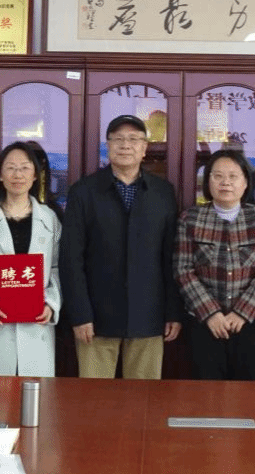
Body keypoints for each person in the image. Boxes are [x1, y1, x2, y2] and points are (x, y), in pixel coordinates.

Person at [59, 114, 182, 379]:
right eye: (119, 139)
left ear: (145, 147)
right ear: (108, 145)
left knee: (144, 398)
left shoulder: (162, 193)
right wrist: (80, 314)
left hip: (149, 315)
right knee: (95, 396)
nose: (126, 145)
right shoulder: (84, 191)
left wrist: (173, 311)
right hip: (96, 319)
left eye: (134, 139)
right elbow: (71, 259)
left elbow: (170, 257)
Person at [174, 149, 255, 380]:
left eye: (233, 176)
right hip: (204, 323)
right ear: (208, 181)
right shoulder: (190, 219)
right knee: (207, 392)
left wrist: (242, 313)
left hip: (252, 322)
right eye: (218, 176)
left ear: (246, 182)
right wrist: (211, 313)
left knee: (248, 391)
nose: (226, 183)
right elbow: (183, 270)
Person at [0, 142, 61, 376]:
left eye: (25, 168)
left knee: (34, 393)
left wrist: (51, 303)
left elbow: (57, 268)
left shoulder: (49, 219)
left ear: (35, 175)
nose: (18, 175)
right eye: (11, 168)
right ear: (0, 175)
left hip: (35, 324)